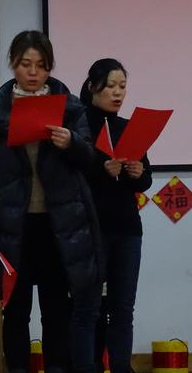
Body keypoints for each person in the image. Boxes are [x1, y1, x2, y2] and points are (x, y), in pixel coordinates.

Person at [0, 30, 102, 373]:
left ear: (49, 67)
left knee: (57, 309)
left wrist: (71, 142)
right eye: (25, 64)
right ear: (13, 64)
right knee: (15, 311)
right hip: (13, 226)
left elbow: (90, 159)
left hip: (59, 225)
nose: (33, 72)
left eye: (41, 65)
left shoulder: (69, 106)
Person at [80, 59, 151, 373]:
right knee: (89, 308)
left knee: (123, 308)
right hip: (90, 229)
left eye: (122, 86)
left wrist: (138, 173)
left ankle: (122, 366)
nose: (118, 93)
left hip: (127, 228)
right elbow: (69, 178)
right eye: (111, 86)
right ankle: (89, 365)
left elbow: (145, 180)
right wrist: (101, 170)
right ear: (93, 86)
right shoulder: (80, 126)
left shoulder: (127, 127)